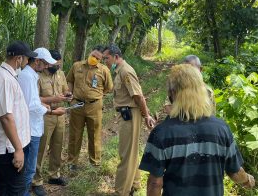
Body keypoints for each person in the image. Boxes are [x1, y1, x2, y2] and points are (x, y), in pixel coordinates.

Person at [140, 64, 255, 196]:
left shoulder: (161, 133)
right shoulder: (222, 129)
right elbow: (235, 172)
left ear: (173, 94)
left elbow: (155, 183)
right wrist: (247, 180)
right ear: (201, 91)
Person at [0, 41, 36, 195]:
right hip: (7, 148)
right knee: (17, 189)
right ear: (18, 59)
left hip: (6, 146)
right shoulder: (4, 80)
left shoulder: (6, 75)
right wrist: (18, 149)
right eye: (27, 58)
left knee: (1, 186)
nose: (28, 61)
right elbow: (6, 117)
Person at [103, 44, 155, 196]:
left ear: (116, 57)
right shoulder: (119, 71)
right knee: (131, 152)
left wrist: (147, 116)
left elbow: (138, 96)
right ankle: (134, 184)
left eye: (107, 58)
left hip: (130, 115)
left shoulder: (125, 71)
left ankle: (121, 192)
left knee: (126, 154)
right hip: (127, 114)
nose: (105, 61)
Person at [18, 47, 66, 196]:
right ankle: (31, 185)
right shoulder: (28, 76)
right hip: (36, 123)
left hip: (42, 120)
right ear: (37, 61)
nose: (48, 67)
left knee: (55, 147)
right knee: (32, 163)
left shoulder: (33, 75)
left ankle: (52, 175)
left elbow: (33, 101)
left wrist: (46, 104)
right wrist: (50, 108)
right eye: (46, 64)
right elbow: (31, 104)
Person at [66, 45, 113, 170]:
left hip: (94, 106)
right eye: (93, 55)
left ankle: (95, 163)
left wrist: (97, 95)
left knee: (94, 135)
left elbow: (109, 87)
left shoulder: (104, 70)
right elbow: (70, 80)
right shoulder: (77, 66)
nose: (95, 58)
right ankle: (72, 162)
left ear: (101, 59)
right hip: (77, 104)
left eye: (98, 58)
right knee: (75, 134)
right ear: (89, 53)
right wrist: (69, 94)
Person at [32, 50, 72, 196]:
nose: (58, 65)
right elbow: (35, 99)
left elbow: (65, 89)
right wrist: (53, 99)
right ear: (48, 63)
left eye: (60, 62)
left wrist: (67, 95)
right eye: (56, 63)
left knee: (57, 145)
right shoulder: (38, 76)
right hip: (46, 115)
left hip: (60, 114)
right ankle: (36, 180)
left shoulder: (60, 74)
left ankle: (54, 175)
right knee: (41, 148)